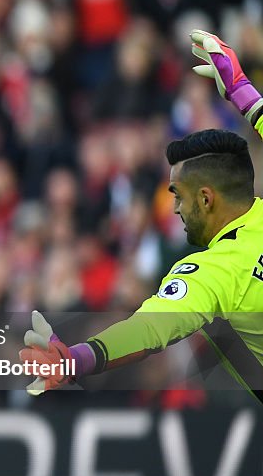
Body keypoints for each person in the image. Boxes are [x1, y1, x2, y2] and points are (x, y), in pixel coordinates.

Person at [21, 29, 263, 401]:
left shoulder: (215, 272)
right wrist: (243, 93)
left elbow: (149, 329)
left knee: (221, 336)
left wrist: (79, 359)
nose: (175, 209)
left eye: (177, 197)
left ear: (206, 198)